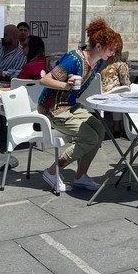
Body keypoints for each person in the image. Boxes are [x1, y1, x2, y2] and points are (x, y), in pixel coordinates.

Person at [38, 18, 121, 192]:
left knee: (100, 130)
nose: (112, 53)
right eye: (111, 49)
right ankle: (52, 171)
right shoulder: (73, 59)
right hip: (53, 108)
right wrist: (64, 85)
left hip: (70, 105)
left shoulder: (97, 62)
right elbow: (44, 80)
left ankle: (80, 176)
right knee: (89, 137)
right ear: (99, 46)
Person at [100, 37, 131, 136]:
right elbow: (126, 83)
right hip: (111, 95)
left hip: (99, 93)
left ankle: (117, 124)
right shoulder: (120, 65)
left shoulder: (101, 63)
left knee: (119, 90)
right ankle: (119, 124)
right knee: (123, 91)